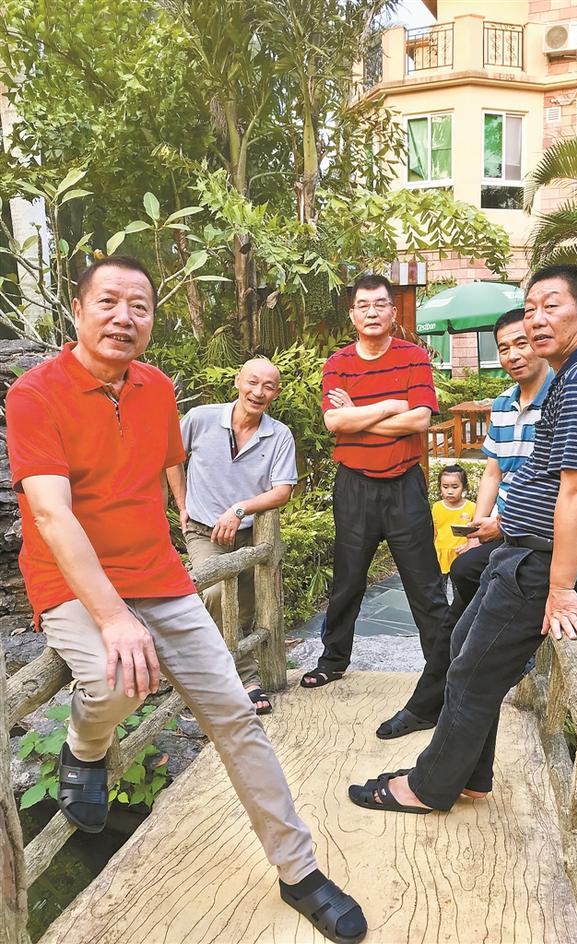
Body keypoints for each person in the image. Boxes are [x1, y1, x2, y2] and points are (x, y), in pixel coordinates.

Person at [6, 255, 367, 944]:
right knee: (116, 681)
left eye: (139, 306)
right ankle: (86, 745)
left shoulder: (156, 388)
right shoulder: (34, 394)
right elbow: (50, 513)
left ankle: (299, 872)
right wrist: (114, 616)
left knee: (236, 714)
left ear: (151, 319)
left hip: (161, 575)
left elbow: (163, 469)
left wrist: (180, 530)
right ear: (77, 310)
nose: (124, 317)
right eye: (108, 302)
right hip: (70, 579)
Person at [350, 263, 577, 814]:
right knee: (463, 649)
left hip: (542, 566)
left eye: (551, 306)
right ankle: (469, 776)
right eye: (530, 309)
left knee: (472, 671)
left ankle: (429, 787)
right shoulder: (574, 374)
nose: (536, 320)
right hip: (522, 552)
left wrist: (561, 589)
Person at [376, 307, 553, 739]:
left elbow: (558, 488)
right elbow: (492, 472)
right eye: (503, 348)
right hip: (501, 535)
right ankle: (429, 706)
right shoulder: (504, 404)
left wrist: (502, 524)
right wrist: (478, 528)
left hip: (534, 537)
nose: (512, 355)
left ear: (541, 342)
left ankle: (429, 705)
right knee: (461, 600)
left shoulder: (562, 401)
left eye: (522, 343)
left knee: (462, 608)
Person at [300, 273, 450, 689]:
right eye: (363, 306)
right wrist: (391, 405)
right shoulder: (338, 364)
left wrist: (359, 415)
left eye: (380, 304)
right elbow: (335, 422)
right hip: (354, 487)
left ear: (392, 311)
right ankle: (332, 660)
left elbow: (420, 420)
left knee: (425, 583)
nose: (372, 312)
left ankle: (443, 670)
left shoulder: (414, 357)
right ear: (352, 314)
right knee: (347, 580)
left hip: (405, 485)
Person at [166, 358, 295, 715]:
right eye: (252, 382)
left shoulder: (279, 435)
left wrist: (241, 508)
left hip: (250, 534)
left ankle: (232, 674)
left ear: (276, 393)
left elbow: (282, 490)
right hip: (204, 531)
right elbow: (170, 456)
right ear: (238, 381)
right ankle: (242, 679)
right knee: (215, 594)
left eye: (268, 386)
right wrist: (182, 503)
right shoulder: (201, 418)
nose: (258, 392)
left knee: (246, 609)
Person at [431, 464, 476, 577]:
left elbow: (477, 532)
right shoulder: (437, 507)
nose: (450, 491)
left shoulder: (472, 507)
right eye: (445, 487)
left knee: (459, 585)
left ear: (464, 487)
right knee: (439, 586)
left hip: (462, 553)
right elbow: (434, 532)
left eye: (455, 487)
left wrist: (469, 545)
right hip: (440, 554)